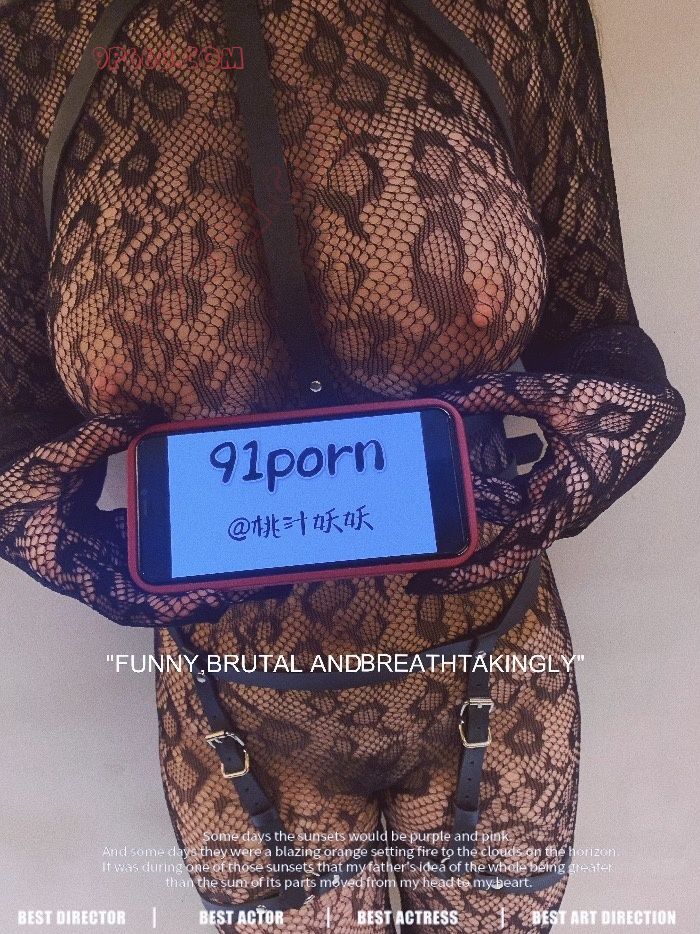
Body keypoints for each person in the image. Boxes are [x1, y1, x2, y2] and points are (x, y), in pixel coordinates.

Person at [0, 0, 684, 931]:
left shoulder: (512, 10)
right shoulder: (30, 41)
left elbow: (600, 330)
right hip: (231, 718)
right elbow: (16, 420)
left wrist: (608, 434)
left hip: (493, 682)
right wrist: (54, 532)